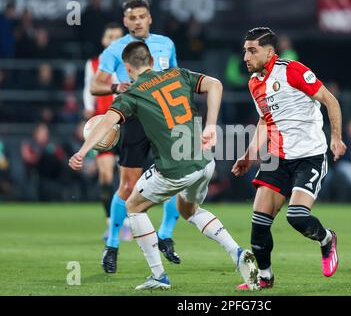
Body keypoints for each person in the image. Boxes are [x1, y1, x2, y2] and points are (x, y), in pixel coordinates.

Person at [69, 41, 259, 291]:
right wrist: (211, 125)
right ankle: (236, 252)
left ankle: (158, 275)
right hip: (204, 161)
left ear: (127, 67)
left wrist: (83, 151)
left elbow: (106, 123)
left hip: (174, 169)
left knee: (133, 207)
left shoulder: (133, 93)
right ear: (150, 59)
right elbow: (216, 84)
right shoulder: (176, 73)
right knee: (189, 211)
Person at [232, 27, 347, 290]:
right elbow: (265, 120)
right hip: (278, 157)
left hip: (310, 157)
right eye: (245, 51)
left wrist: (336, 137)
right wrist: (249, 155)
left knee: (296, 216)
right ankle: (265, 277)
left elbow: (330, 101)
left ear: (269, 52)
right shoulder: (253, 83)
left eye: (252, 51)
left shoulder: (292, 70)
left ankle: (327, 239)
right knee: (259, 224)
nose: (246, 57)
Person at [90, 0, 181, 272]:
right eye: (132, 17)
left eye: (142, 16)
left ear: (150, 18)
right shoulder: (115, 49)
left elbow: (176, 77)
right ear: (125, 21)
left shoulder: (166, 43)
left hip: (167, 121)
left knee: (177, 178)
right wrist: (117, 86)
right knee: (128, 186)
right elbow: (96, 85)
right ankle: (113, 244)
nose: (138, 21)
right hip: (134, 121)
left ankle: (165, 235)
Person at [84, 22, 125, 241]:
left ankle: (127, 221)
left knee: (127, 178)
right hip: (104, 126)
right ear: (103, 40)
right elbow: (87, 93)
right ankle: (111, 223)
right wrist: (89, 115)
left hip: (127, 124)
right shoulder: (93, 64)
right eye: (110, 37)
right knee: (106, 175)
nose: (113, 41)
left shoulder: (129, 62)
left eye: (118, 37)